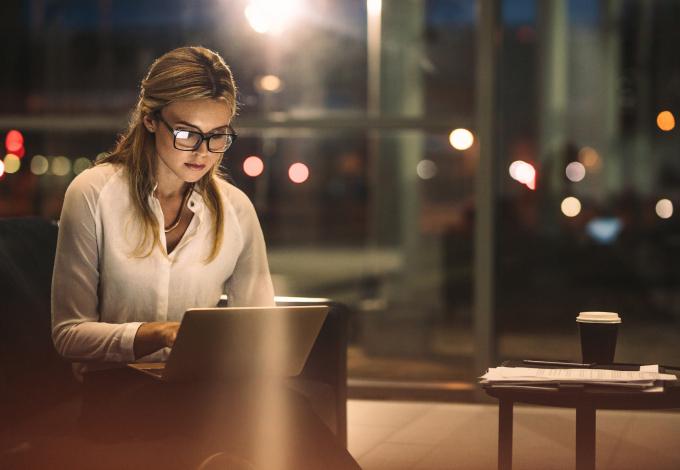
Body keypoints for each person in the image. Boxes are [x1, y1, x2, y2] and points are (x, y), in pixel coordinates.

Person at [51, 46, 361, 470]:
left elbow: (259, 322)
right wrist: (157, 334)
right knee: (263, 417)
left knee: (278, 409)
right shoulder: (93, 194)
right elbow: (68, 335)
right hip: (115, 391)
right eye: (187, 133)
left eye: (218, 136)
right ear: (149, 120)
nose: (203, 151)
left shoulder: (234, 210)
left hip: (207, 388)